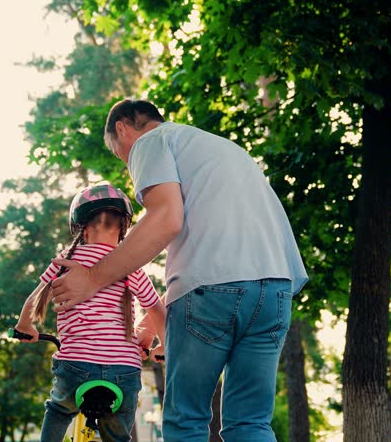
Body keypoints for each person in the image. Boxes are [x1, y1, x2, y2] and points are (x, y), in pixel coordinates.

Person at [49, 99, 308, 442]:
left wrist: (93, 278)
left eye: (118, 153)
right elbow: (225, 247)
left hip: (211, 293)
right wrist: (153, 320)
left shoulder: (150, 142)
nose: (127, 163)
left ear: (122, 129)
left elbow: (166, 219)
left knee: (187, 421)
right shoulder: (224, 150)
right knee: (250, 423)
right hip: (275, 290)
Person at [15, 183, 166, 442]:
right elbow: (155, 308)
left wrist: (25, 327)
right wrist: (164, 345)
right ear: (123, 227)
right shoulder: (130, 266)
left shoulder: (66, 260)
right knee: (118, 435)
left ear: (81, 227)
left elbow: (36, 297)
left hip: (76, 366)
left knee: (59, 410)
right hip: (124, 369)